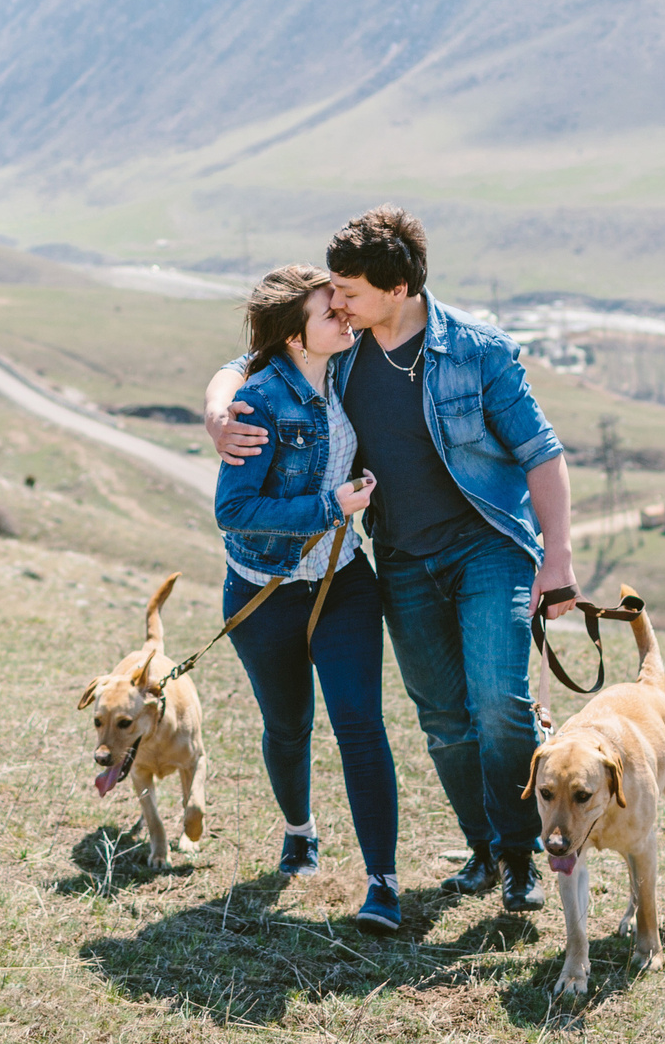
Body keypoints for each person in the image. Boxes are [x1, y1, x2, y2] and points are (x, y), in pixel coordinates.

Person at [205, 208, 575, 914]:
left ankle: (522, 853)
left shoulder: (478, 350)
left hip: (488, 547)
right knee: (440, 717)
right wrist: (218, 410)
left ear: (397, 285)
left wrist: (557, 560)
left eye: (347, 288)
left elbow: (542, 454)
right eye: (334, 292)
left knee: (500, 704)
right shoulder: (342, 347)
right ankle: (483, 847)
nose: (337, 300)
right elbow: (254, 357)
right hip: (402, 558)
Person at [211, 264, 403, 934]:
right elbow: (234, 510)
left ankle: (383, 882)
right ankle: (300, 829)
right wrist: (331, 503)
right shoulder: (260, 401)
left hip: (343, 578)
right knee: (289, 726)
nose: (344, 318)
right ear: (296, 334)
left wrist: (360, 486)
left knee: (359, 722)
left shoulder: (347, 369)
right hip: (263, 592)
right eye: (330, 311)